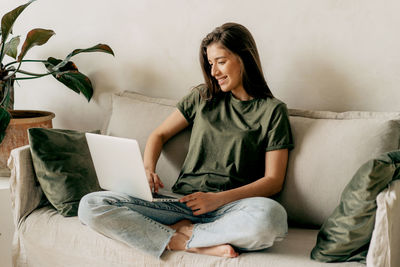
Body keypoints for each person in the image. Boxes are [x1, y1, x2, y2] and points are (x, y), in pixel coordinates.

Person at [78, 22, 294, 259]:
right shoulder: (203, 97)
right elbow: (158, 135)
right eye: (211, 64)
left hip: (231, 208)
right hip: (180, 202)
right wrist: (148, 170)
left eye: (221, 61)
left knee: (272, 216)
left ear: (245, 57)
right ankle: (180, 240)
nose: (214, 72)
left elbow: (273, 181)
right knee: (90, 205)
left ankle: (183, 234)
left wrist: (217, 200)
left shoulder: (273, 111)